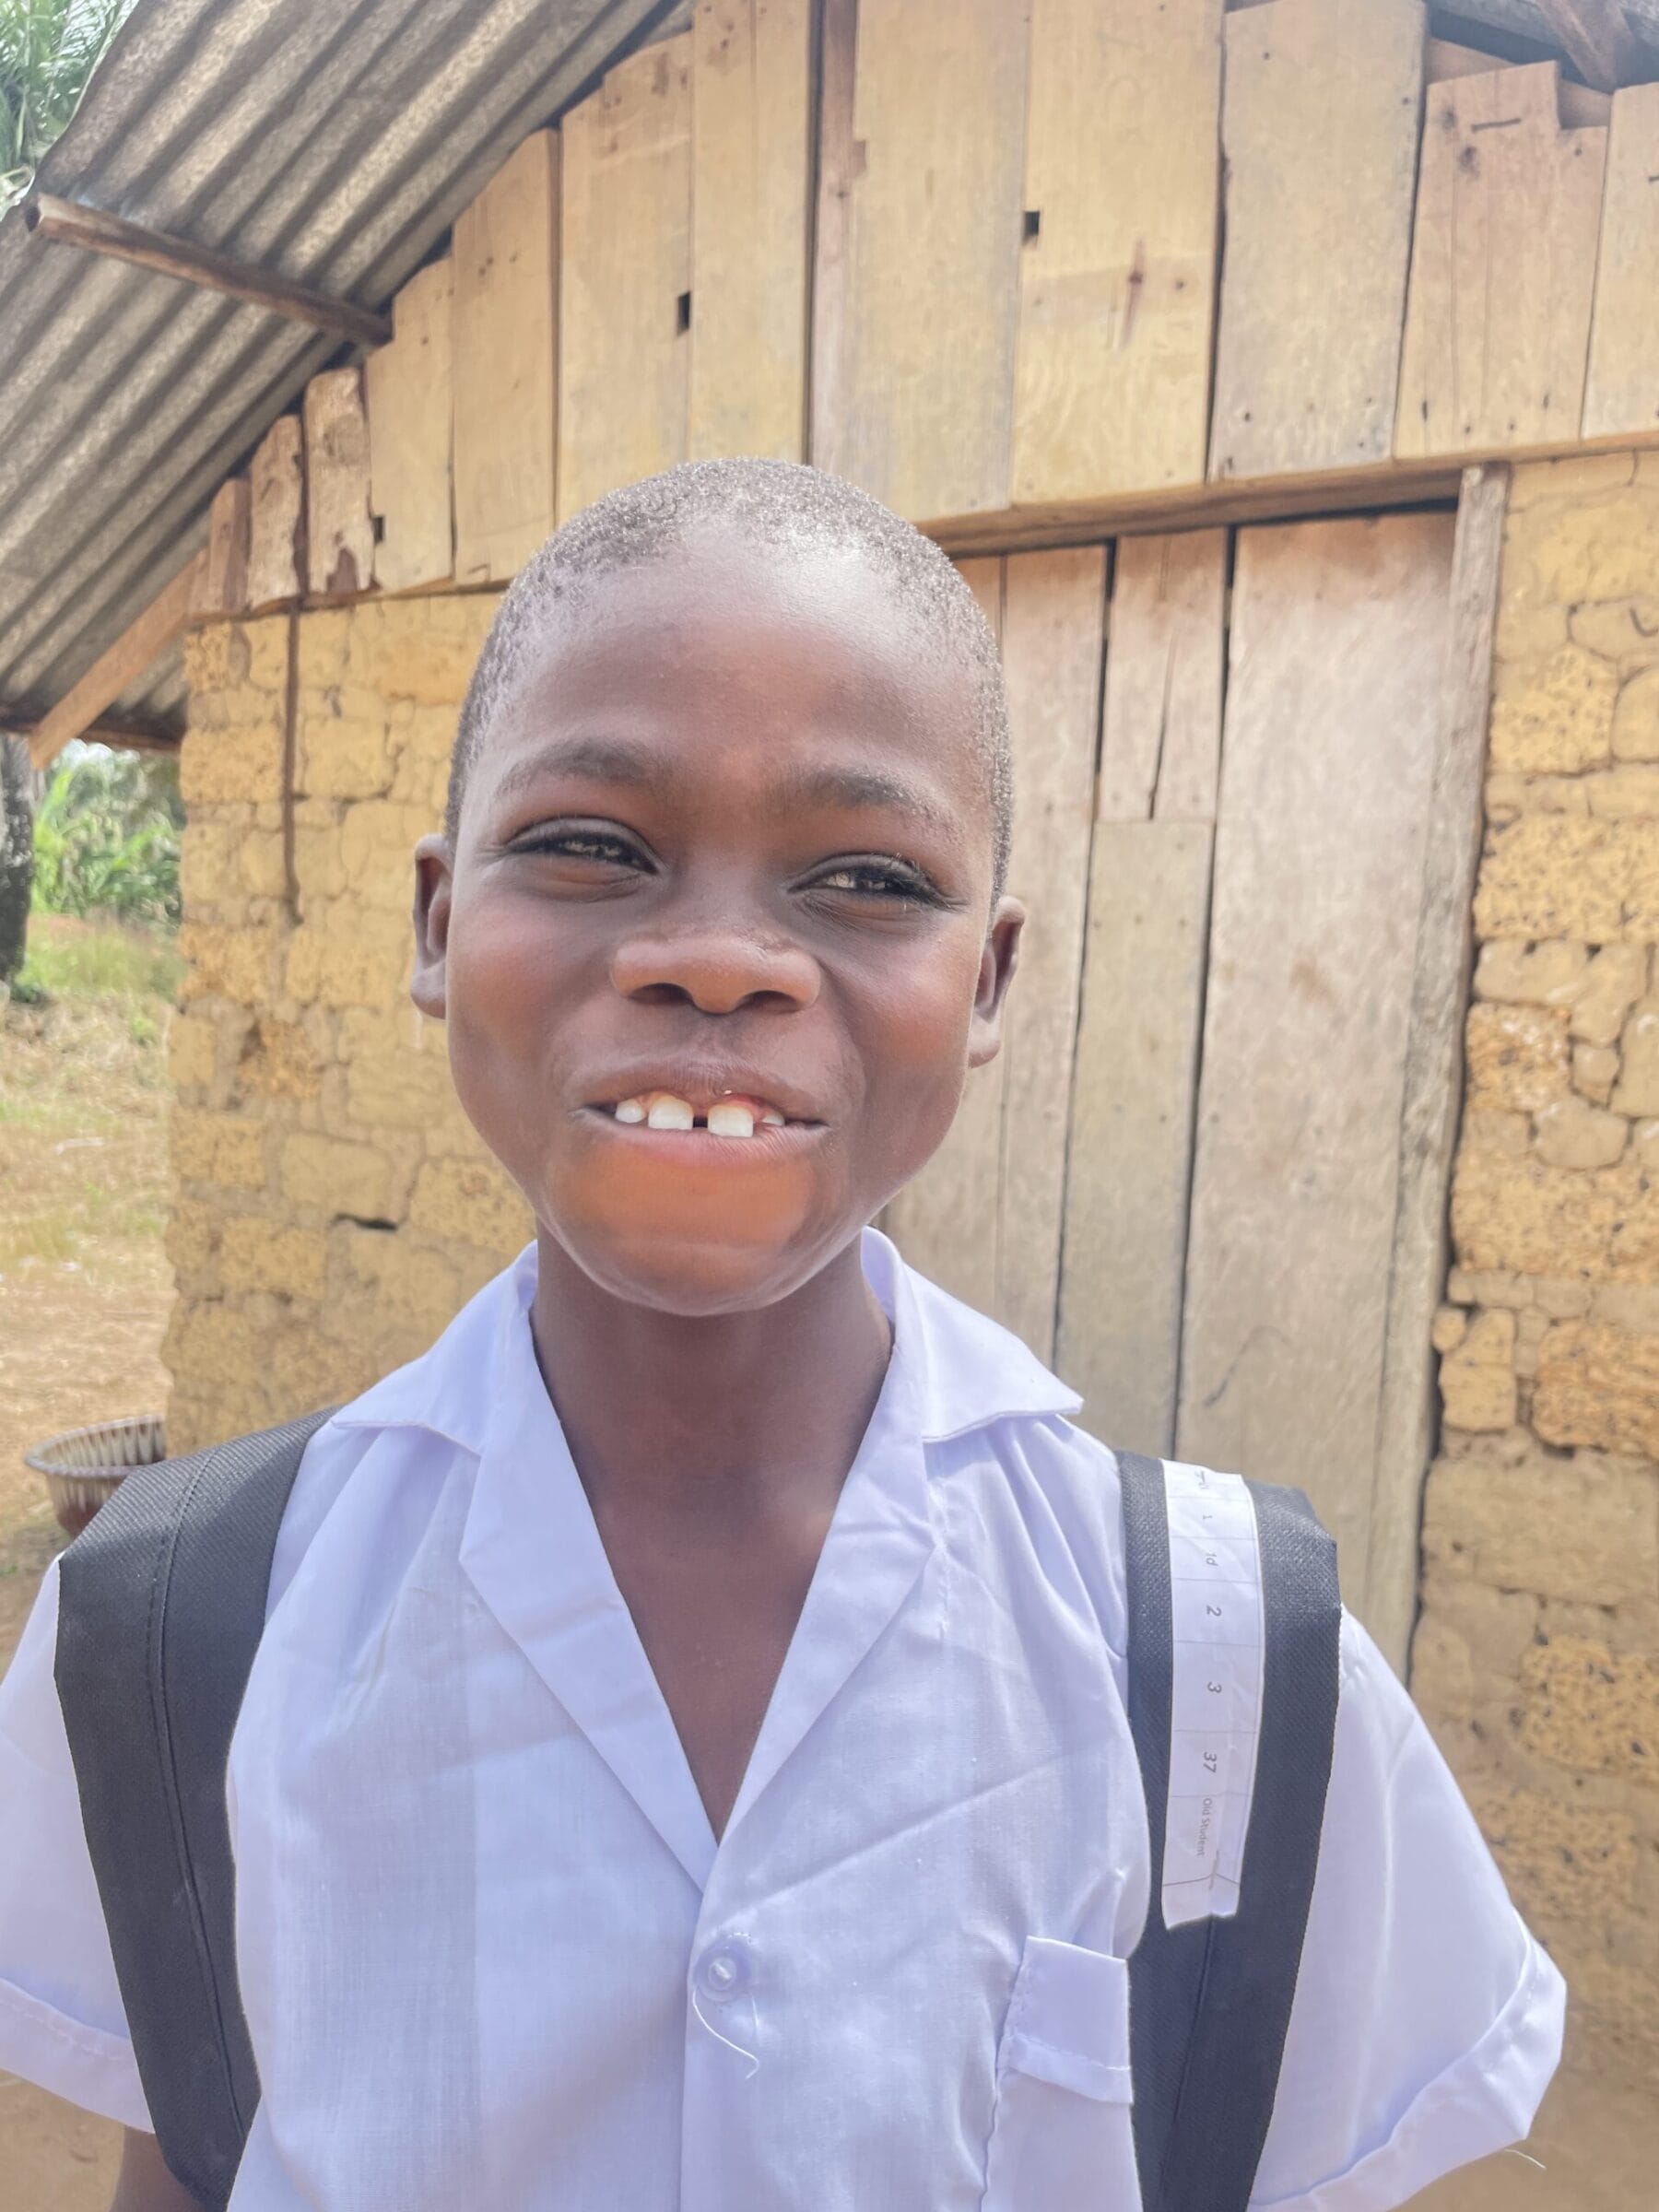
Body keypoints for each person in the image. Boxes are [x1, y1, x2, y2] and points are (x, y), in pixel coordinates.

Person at [0, 460, 1562, 2211]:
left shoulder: (1228, 1670)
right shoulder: (181, 1631)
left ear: (987, 979)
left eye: (868, 876)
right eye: (591, 845)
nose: (720, 958)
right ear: (441, 924)